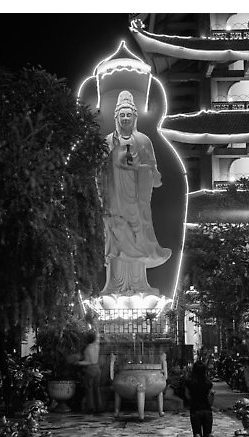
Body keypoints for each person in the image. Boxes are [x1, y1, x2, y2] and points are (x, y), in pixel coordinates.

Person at [100, 90, 171, 296]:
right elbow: (99, 170)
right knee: (116, 237)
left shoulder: (143, 140)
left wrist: (141, 168)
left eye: (128, 115)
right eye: (121, 115)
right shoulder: (108, 142)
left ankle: (139, 284)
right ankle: (114, 285)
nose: (125, 118)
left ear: (134, 117)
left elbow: (153, 168)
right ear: (116, 117)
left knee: (137, 235)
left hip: (137, 199)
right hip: (114, 197)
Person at [185, 360, 215, 437]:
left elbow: (187, 395)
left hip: (195, 408)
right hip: (207, 409)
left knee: (196, 428)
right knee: (207, 429)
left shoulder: (189, 382)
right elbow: (210, 398)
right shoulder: (208, 383)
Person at [75, 329, 102, 414]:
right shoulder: (97, 346)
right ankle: (99, 407)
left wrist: (79, 363)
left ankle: (91, 407)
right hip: (97, 369)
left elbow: (91, 361)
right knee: (96, 388)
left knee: (89, 389)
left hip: (90, 369)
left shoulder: (89, 347)